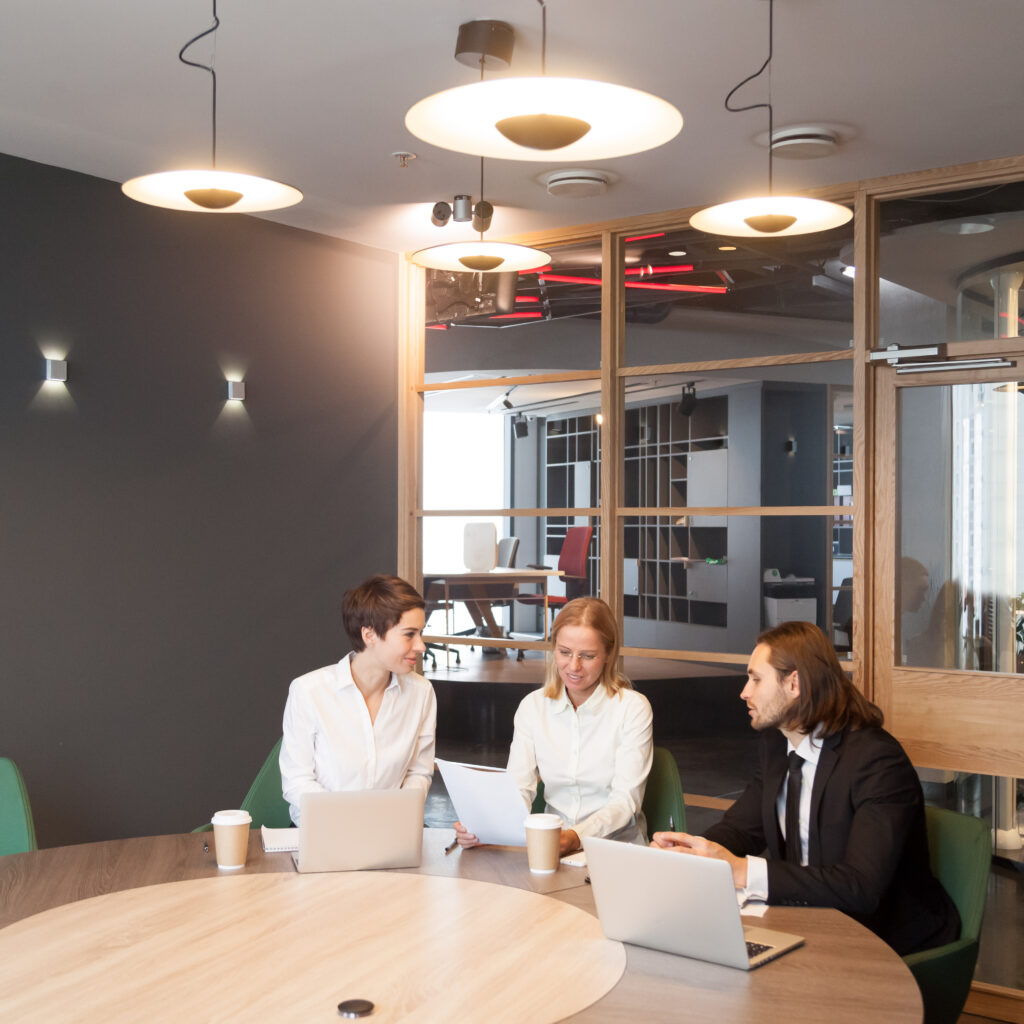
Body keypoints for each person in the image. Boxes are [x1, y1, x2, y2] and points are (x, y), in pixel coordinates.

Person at [651, 620, 960, 957]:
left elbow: (861, 885)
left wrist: (741, 869)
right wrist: (692, 852)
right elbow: (741, 829)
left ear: (794, 683)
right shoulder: (776, 744)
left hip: (884, 941)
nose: (744, 692)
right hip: (807, 924)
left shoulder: (876, 761)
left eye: (756, 679)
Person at [455, 596, 653, 854]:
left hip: (616, 850)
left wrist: (575, 837)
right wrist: (490, 828)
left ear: (608, 654)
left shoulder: (632, 708)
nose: (573, 666)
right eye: (564, 652)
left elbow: (626, 801)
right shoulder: (533, 707)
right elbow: (518, 787)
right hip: (550, 846)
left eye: (587, 656)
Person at [279, 574, 436, 825]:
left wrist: (398, 817)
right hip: (325, 828)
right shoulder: (308, 691)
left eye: (421, 633)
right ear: (370, 635)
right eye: (409, 634)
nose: (421, 646)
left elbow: (419, 772)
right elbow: (297, 782)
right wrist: (353, 822)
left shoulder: (421, 692)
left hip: (391, 828)